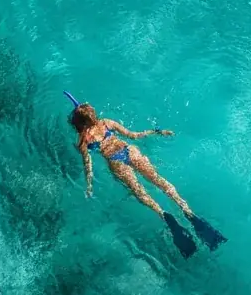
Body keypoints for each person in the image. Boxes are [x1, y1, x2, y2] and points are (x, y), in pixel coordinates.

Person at [67, 92, 224, 257]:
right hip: (129, 151)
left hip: (116, 162)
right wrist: (157, 132)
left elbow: (88, 164)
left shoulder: (83, 141)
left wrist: (89, 185)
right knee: (159, 181)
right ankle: (187, 211)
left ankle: (163, 214)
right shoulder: (106, 122)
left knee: (140, 192)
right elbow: (133, 135)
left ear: (79, 123)